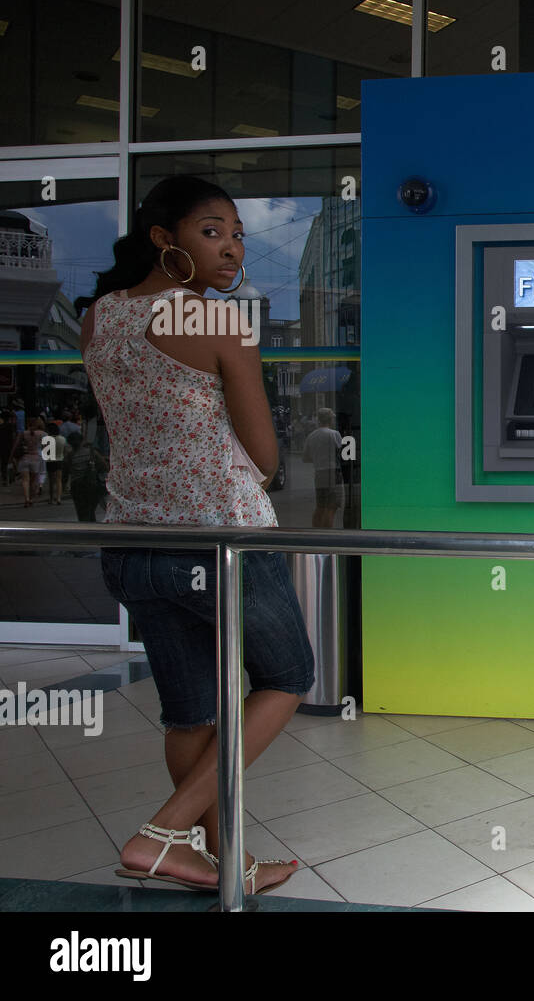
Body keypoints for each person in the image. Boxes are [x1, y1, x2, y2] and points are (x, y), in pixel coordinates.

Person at [81, 175, 314, 895]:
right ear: (164, 238)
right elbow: (266, 455)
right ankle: (161, 833)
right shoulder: (216, 323)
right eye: (212, 230)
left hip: (132, 542)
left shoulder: (99, 316)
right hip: (222, 540)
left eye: (238, 233)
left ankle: (224, 863)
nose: (232, 246)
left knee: (191, 714)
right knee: (287, 676)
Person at [303, 406, 343, 528]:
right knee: (331, 507)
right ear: (330, 420)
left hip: (319, 473)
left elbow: (306, 458)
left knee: (320, 506)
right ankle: (328, 533)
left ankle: (316, 531)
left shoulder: (311, 436)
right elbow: (342, 453)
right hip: (333, 472)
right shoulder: (334, 434)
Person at [65, 432, 107, 522]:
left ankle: (86, 528)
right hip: (92, 485)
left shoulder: (70, 455)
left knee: (82, 512)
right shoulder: (91, 452)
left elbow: (67, 470)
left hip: (76, 487)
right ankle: (92, 528)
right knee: (91, 510)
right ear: (82, 441)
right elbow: (104, 466)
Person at [10, 414, 47, 508]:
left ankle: (26, 499)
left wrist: (11, 457)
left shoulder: (23, 433)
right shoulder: (43, 434)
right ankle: (31, 499)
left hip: (25, 459)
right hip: (36, 459)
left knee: (25, 480)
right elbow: (46, 448)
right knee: (33, 481)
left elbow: (15, 446)